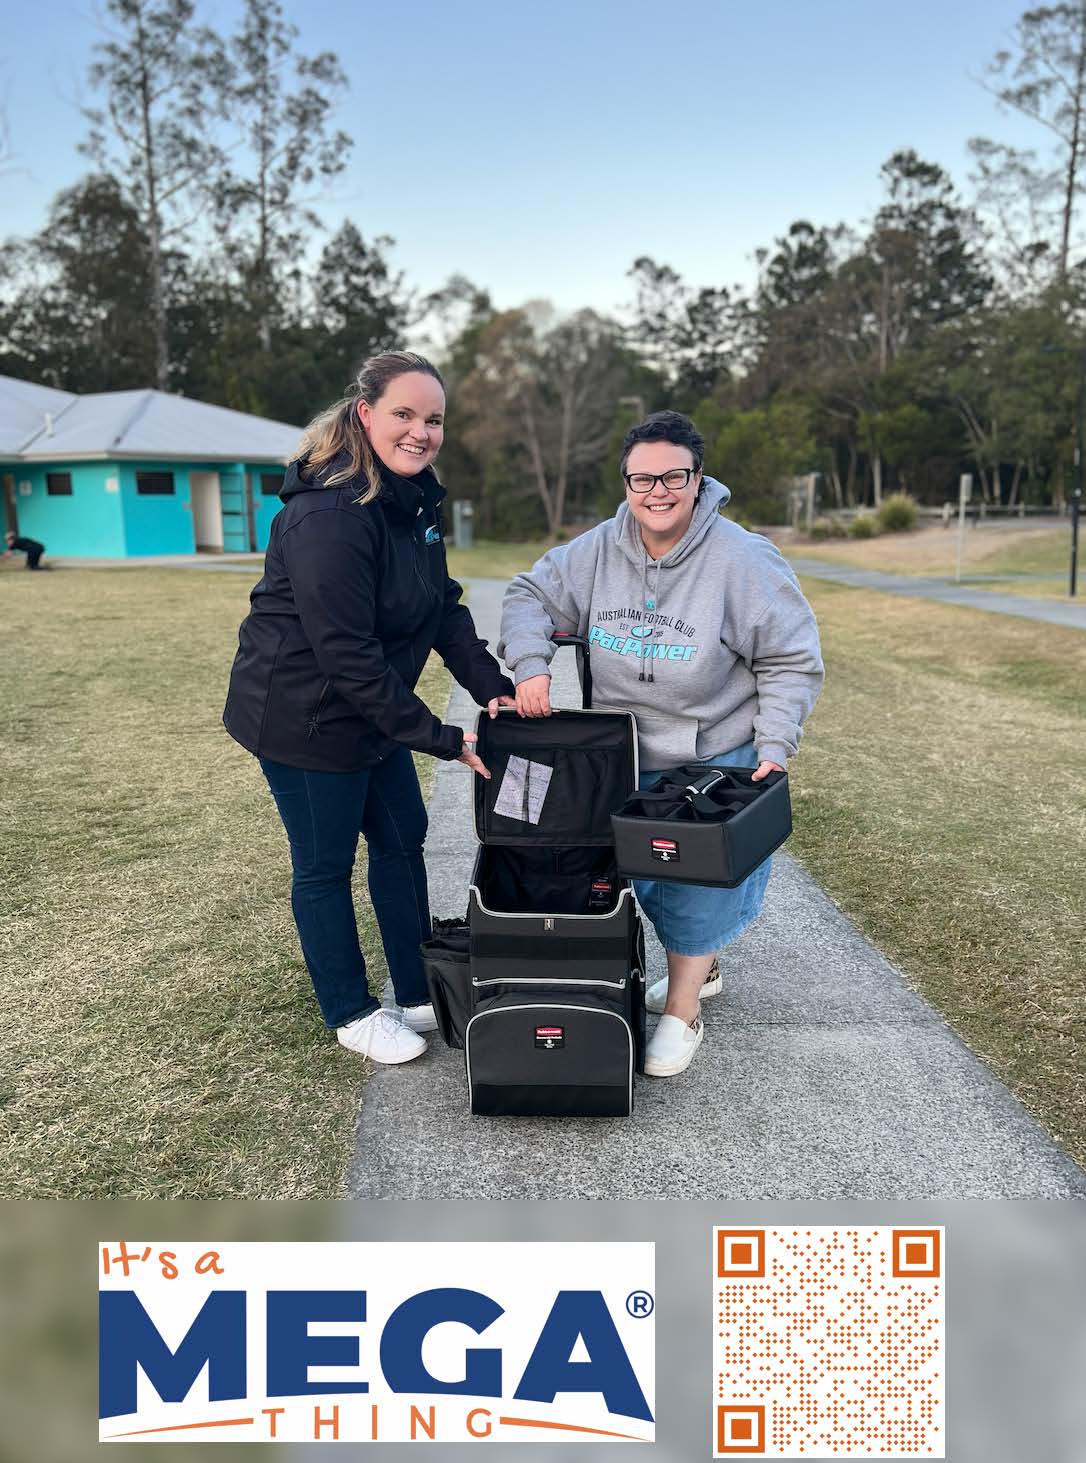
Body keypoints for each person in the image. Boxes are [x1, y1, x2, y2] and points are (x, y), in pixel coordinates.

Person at [499, 410, 823, 1078]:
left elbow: (791, 657)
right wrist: (531, 664)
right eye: (641, 478)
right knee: (632, 875)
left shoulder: (743, 558)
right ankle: (700, 967)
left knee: (696, 884)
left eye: (673, 476)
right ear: (625, 481)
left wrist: (776, 740)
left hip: (714, 755)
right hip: (622, 751)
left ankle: (683, 1008)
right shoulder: (596, 550)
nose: (657, 491)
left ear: (697, 478)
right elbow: (529, 593)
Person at [224, 351, 515, 1065]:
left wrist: (491, 684)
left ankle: (417, 989)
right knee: (323, 865)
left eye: (434, 419)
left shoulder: (416, 501)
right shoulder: (327, 515)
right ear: (365, 414)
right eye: (404, 414)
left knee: (401, 834)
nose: (421, 432)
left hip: (371, 709)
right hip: (304, 717)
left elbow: (441, 606)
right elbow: (344, 653)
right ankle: (350, 1010)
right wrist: (443, 737)